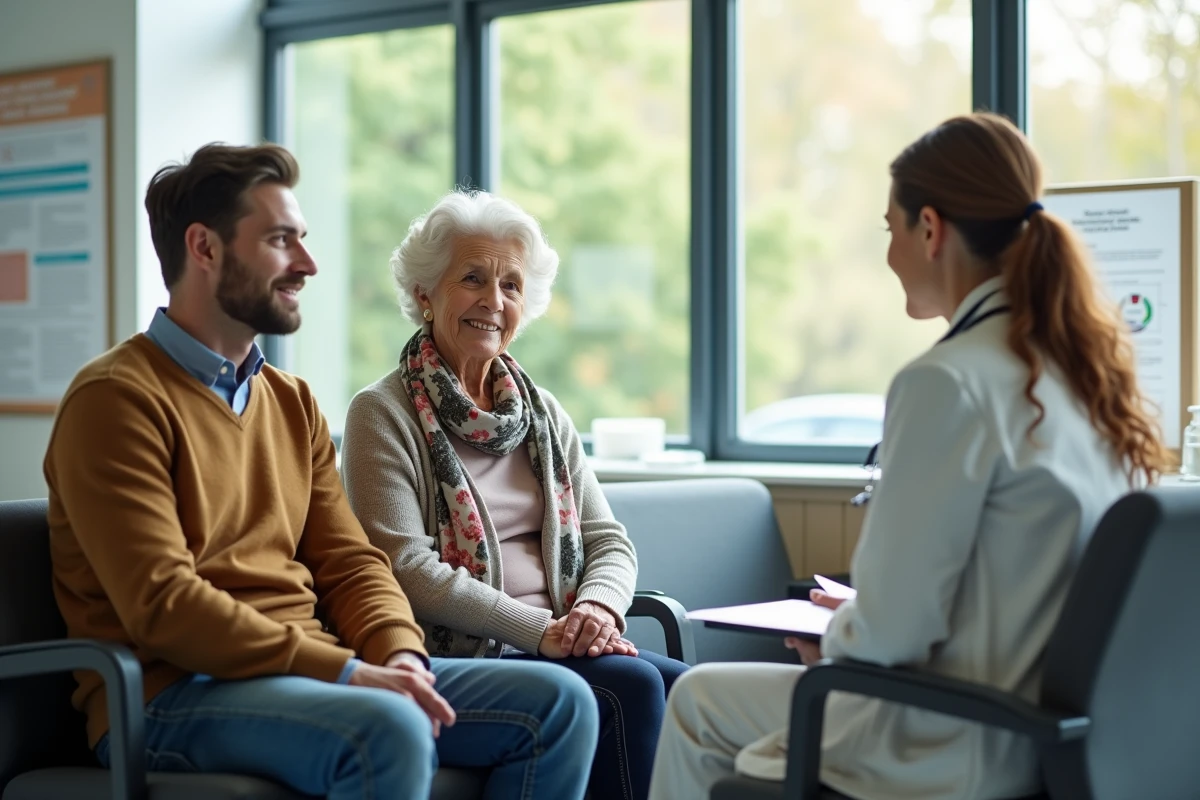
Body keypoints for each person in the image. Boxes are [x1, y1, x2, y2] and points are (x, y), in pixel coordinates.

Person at [43, 143, 599, 800]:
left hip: (310, 674)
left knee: (562, 704)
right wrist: (343, 672)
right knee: (386, 727)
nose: (307, 264)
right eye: (282, 242)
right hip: (172, 693)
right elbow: (165, 607)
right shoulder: (115, 400)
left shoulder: (291, 400)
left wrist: (399, 655)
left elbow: (353, 564)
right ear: (205, 248)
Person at [647, 112, 1167, 800]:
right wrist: (863, 620)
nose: (889, 253)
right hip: (1071, 735)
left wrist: (839, 633)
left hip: (952, 734)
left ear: (931, 228)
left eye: (889, 230)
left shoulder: (946, 381)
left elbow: (891, 636)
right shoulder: (1090, 378)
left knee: (695, 702)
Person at [340, 189, 690, 800]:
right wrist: (539, 629)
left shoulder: (543, 413)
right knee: (631, 688)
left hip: (561, 638)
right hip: (463, 652)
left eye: (511, 286)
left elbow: (608, 540)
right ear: (425, 294)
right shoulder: (382, 413)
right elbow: (404, 569)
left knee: (686, 688)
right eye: (472, 278)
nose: (493, 302)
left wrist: (597, 611)